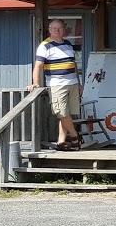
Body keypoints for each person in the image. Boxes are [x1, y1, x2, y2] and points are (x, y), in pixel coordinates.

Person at [28, 19, 83, 151]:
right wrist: (35, 83)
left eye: (60, 28)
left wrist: (79, 83)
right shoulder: (45, 45)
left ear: (64, 30)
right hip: (57, 84)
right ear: (49, 30)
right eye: (54, 28)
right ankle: (75, 137)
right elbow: (38, 66)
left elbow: (73, 64)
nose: (57, 30)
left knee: (68, 113)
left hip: (73, 83)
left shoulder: (68, 44)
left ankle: (61, 141)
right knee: (61, 112)